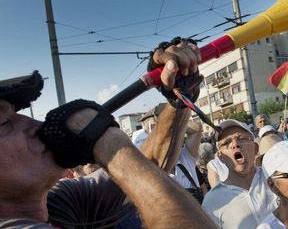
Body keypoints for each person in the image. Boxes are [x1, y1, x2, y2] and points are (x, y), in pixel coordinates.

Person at [0, 39, 216, 228]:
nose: (35, 125)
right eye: (3, 123)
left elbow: (147, 166)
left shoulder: (59, 201)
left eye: (18, 114)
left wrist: (179, 98)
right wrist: (107, 141)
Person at [202, 56, 288, 229]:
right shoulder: (213, 201)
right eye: (226, 143)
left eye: (242, 138)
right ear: (219, 156)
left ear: (256, 148)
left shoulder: (276, 174)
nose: (235, 145)